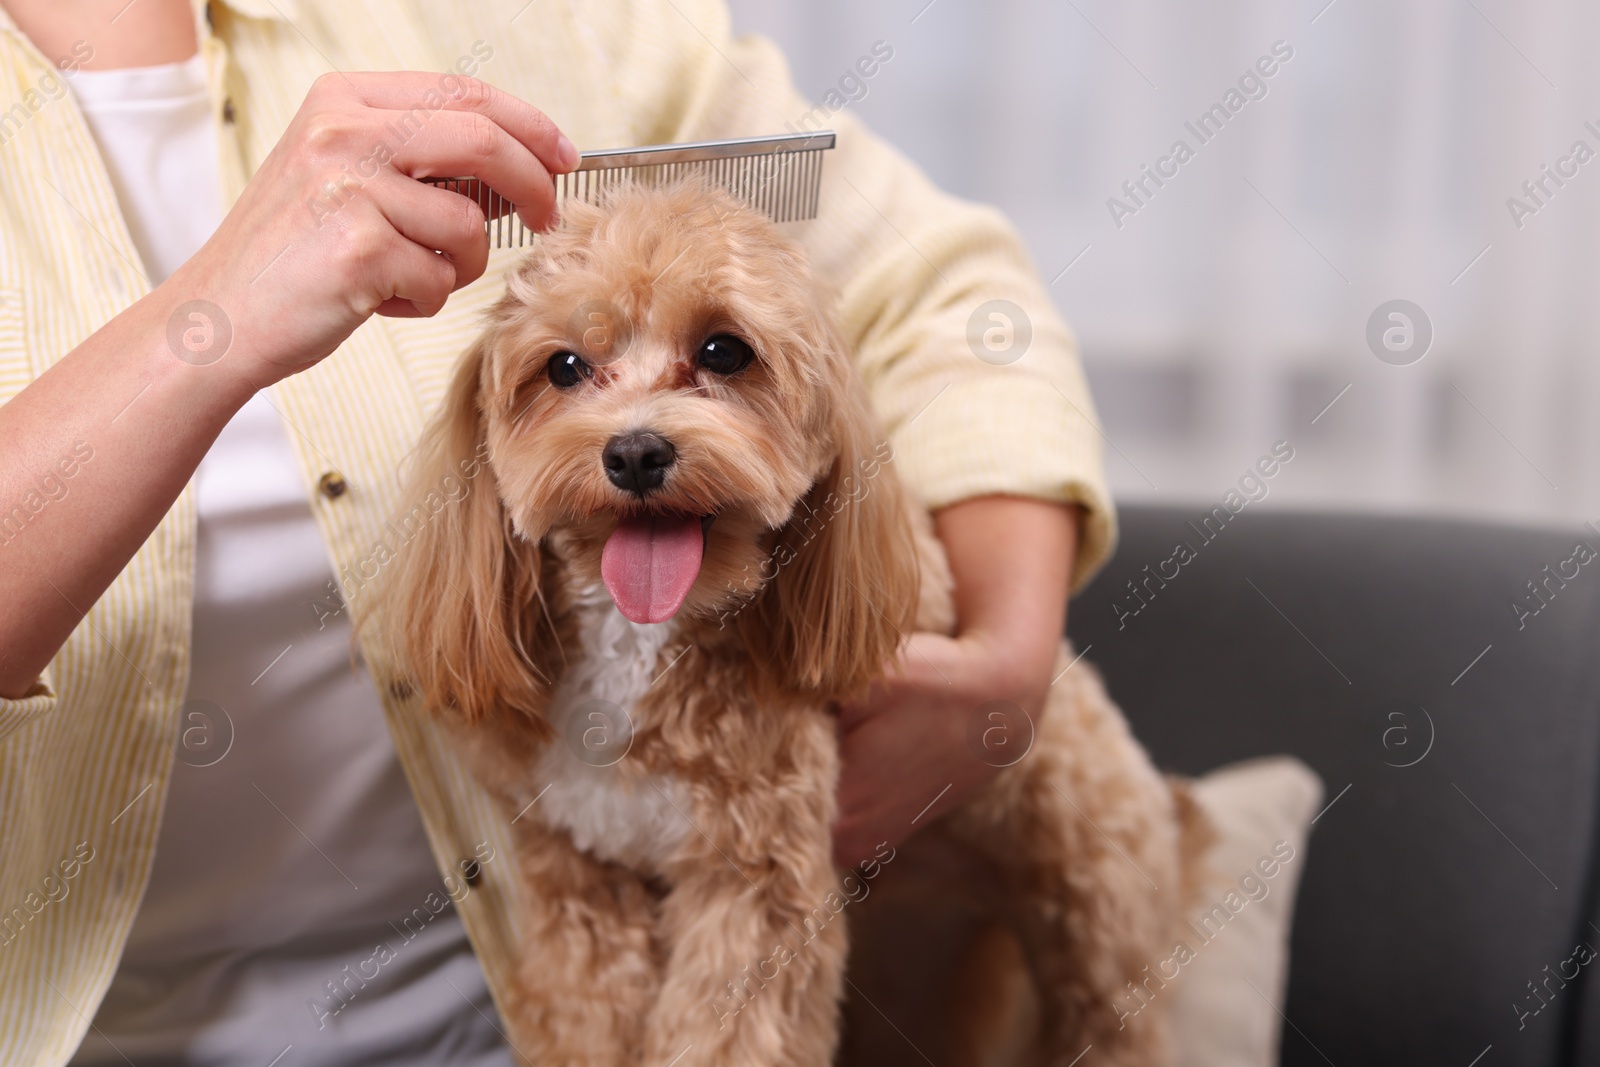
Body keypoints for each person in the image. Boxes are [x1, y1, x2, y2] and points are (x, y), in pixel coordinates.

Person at [0, 0, 1114, 1062]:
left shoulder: (561, 22)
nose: (630, 429)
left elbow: (947, 291)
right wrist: (215, 318)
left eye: (715, 361)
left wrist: (1009, 666)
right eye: (570, 371)